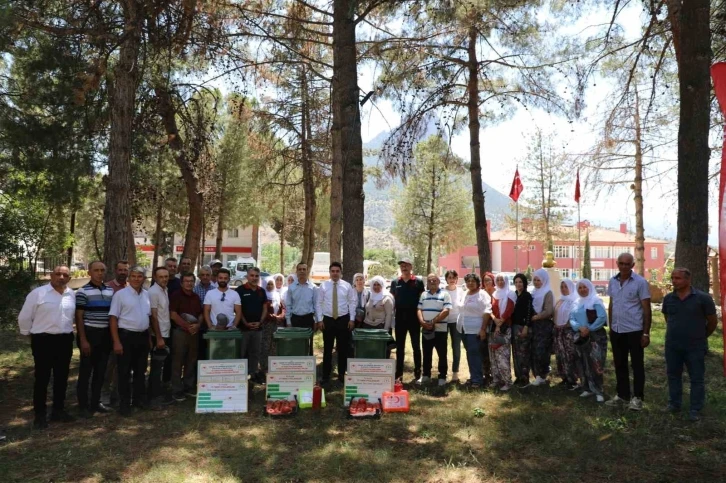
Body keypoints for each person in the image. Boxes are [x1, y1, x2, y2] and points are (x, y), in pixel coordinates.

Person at [18, 265, 76, 429]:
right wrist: (29, 334)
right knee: (42, 378)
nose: (61, 277)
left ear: (69, 278)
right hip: (43, 341)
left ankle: (58, 410)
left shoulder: (71, 294)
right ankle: (40, 415)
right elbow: (24, 316)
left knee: (61, 377)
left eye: (65, 275)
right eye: (58, 274)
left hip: (65, 340)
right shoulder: (38, 293)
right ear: (51, 276)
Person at [662, 268, 718, 421]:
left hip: (695, 346)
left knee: (696, 377)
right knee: (673, 375)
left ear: (688, 280)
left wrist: (701, 336)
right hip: (673, 345)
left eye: (678, 278)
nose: (674, 281)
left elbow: (712, 322)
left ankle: (695, 409)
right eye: (673, 278)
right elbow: (668, 318)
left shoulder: (703, 298)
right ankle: (674, 404)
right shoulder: (668, 299)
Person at [605, 253, 652, 411]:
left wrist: (645, 333)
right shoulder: (612, 281)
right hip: (617, 330)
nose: (624, 266)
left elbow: (646, 309)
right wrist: (611, 327)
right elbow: (612, 304)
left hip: (635, 330)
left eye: (627, 264)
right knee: (620, 364)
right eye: (621, 263)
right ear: (617, 263)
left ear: (632, 265)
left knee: (637, 365)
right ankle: (622, 395)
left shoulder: (640, 282)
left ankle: (637, 398)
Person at [109, 266, 152, 416]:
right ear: (129, 278)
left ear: (144, 279)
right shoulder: (120, 295)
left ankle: (138, 399)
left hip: (142, 337)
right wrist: (116, 341)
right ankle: (124, 403)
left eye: (139, 276)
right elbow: (113, 318)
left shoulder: (146, 295)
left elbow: (148, 317)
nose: (136, 279)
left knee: (140, 370)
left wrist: (149, 338)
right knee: (124, 372)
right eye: (133, 276)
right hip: (126, 337)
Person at [75, 261, 115, 418]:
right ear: (89, 272)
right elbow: (79, 317)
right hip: (89, 334)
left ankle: (95, 402)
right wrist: (83, 340)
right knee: (86, 371)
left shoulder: (110, 291)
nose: (99, 273)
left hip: (105, 335)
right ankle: (83, 405)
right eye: (96, 270)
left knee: (101, 371)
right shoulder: (82, 291)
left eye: (102, 270)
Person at [569, 279, 608, 403]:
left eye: (584, 287)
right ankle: (586, 387)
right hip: (581, 336)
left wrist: (589, 329)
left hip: (596, 336)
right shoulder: (576, 303)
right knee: (582, 362)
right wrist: (579, 328)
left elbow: (602, 317)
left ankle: (598, 390)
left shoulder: (595, 301)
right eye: (579, 288)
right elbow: (571, 318)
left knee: (596, 363)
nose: (582, 290)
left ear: (590, 287)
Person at [317, 262, 357, 384]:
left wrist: (352, 319)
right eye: (333, 271)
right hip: (328, 320)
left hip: (343, 320)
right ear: (330, 272)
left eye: (337, 271)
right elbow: (318, 303)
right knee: (327, 349)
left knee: (343, 349)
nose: (335, 273)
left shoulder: (347, 286)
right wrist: (319, 319)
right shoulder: (323, 286)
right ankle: (326, 376)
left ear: (340, 272)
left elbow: (352, 302)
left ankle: (341, 374)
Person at [169, 272, 203, 401]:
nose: (189, 283)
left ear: (194, 283)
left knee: (191, 359)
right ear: (182, 283)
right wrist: (186, 326)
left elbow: (200, 314)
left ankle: (188, 386)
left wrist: (198, 325)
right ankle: (176, 390)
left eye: (191, 281)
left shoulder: (196, 297)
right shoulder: (176, 295)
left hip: (194, 332)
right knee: (177, 361)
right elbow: (173, 314)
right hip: (180, 332)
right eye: (186, 281)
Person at [390, 258, 425, 381]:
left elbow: (422, 300)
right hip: (400, 319)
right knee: (400, 348)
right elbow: (392, 301)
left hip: (414, 319)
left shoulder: (418, 282)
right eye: (402, 266)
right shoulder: (395, 282)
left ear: (411, 267)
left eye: (406, 265)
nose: (404, 268)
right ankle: (399, 374)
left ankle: (418, 373)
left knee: (416, 347)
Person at [101, 260, 129, 407]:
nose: (123, 272)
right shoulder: (107, 288)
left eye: (125, 270)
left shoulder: (131, 287)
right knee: (109, 365)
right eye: (120, 270)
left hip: (126, 333)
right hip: (110, 333)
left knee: (122, 366)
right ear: (115, 271)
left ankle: (116, 394)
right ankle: (104, 393)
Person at [456, 273, 491, 389]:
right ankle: (473, 377)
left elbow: (487, 312)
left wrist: (483, 329)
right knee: (470, 354)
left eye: (473, 281)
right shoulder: (465, 293)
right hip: (463, 329)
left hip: (475, 330)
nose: (470, 283)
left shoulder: (482, 294)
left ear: (477, 283)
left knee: (475, 354)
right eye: (468, 281)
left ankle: (477, 380)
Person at [236, 267, 268, 383]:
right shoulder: (240, 290)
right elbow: (238, 309)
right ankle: (240, 376)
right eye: (252, 275)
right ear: (247, 276)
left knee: (255, 352)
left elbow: (265, 308)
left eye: (256, 276)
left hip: (258, 328)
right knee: (242, 352)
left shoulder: (261, 291)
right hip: (243, 328)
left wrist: (260, 322)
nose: (254, 278)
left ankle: (253, 374)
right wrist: (245, 322)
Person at [418, 274, 451, 386]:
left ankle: (442, 376)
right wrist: (422, 322)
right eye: (430, 280)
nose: (432, 282)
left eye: (434, 280)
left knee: (442, 354)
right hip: (426, 329)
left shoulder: (445, 294)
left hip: (440, 330)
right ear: (427, 283)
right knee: (426, 353)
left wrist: (433, 322)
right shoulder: (424, 294)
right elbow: (419, 309)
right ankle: (426, 375)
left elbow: (446, 310)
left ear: (438, 281)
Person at [148, 267, 173, 408]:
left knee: (162, 366)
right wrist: (158, 337)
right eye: (161, 277)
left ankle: (159, 394)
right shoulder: (153, 292)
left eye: (166, 276)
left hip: (165, 332)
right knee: (156, 368)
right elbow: (153, 316)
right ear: (155, 277)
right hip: (158, 335)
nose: (164, 279)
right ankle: (154, 398)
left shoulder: (165, 289)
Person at [285, 263, 319, 356]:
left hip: (308, 319)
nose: (302, 271)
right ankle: (296, 363)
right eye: (300, 269)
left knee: (308, 345)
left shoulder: (313, 287)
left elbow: (316, 305)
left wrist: (316, 321)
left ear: (307, 271)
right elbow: (288, 305)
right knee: (295, 343)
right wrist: (288, 321)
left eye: (304, 269)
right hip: (295, 319)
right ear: (297, 271)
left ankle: (308, 363)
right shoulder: (291, 287)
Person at [489, 273, 516, 391]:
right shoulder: (494, 294)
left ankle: (507, 381)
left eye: (502, 280)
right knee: (494, 354)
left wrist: (499, 324)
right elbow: (490, 309)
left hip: (505, 327)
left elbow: (509, 309)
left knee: (503, 354)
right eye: (498, 280)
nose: (500, 282)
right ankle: (496, 379)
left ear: (506, 281)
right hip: (494, 326)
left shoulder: (510, 293)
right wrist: (495, 321)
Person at [529, 268, 554, 386]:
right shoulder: (533, 293)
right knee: (533, 350)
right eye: (534, 280)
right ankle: (537, 375)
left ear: (544, 280)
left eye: (538, 280)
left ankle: (543, 375)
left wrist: (537, 317)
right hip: (534, 326)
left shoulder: (548, 292)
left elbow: (549, 311)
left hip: (544, 326)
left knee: (542, 350)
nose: (536, 282)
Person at [553, 279, 579, 389]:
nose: (563, 289)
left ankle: (572, 379)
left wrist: (566, 325)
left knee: (569, 355)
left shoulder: (575, 301)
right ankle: (564, 377)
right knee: (560, 355)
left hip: (568, 331)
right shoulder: (560, 300)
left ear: (571, 288)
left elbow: (574, 316)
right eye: (562, 287)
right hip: (558, 331)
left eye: (566, 287)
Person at [511, 273, 534, 387]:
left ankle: (525, 378)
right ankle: (518, 376)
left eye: (520, 282)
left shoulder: (527, 296)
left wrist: (526, 327)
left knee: (524, 354)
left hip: (523, 327)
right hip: (514, 327)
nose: (518, 284)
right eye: (516, 282)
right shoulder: (514, 295)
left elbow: (529, 312)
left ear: (524, 283)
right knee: (516, 353)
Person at [261, 277, 285, 374]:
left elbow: (282, 308)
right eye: (268, 284)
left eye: (271, 284)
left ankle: (274, 367)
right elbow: (263, 311)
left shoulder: (277, 295)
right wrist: (274, 317)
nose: (270, 286)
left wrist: (281, 316)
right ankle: (264, 367)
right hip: (266, 324)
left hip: (277, 324)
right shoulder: (263, 296)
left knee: (275, 345)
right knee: (265, 345)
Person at [444, 270, 464, 382]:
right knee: (442, 348)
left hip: (456, 322)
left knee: (456, 347)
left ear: (456, 279)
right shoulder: (442, 291)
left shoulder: (461, 291)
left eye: (454, 277)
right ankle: (443, 372)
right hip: (443, 322)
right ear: (446, 279)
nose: (452, 280)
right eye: (449, 277)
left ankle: (455, 372)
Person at [193, 265, 215, 362]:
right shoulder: (194, 290)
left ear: (211, 276)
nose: (205, 277)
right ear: (199, 276)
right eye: (203, 275)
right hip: (198, 325)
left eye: (207, 275)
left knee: (211, 351)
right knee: (199, 352)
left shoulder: (215, 290)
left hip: (212, 325)